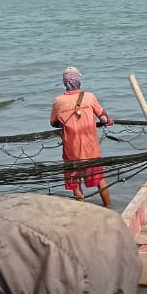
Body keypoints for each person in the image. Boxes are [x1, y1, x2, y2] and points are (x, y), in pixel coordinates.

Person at [50, 67, 114, 207]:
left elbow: (53, 123)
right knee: (99, 179)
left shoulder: (59, 101)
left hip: (71, 150)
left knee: (75, 183)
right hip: (90, 148)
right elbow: (103, 118)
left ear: (64, 82)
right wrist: (108, 121)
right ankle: (108, 207)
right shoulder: (89, 97)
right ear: (79, 81)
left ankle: (82, 210)